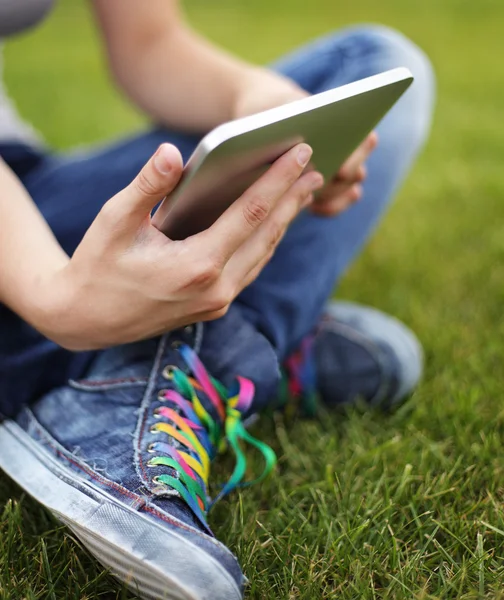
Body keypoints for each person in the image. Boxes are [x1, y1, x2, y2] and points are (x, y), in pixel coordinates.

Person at [0, 1, 435, 598]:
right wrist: (53, 298)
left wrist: (256, 101)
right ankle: (206, 353)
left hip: (23, 185)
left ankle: (160, 363)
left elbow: (149, 43)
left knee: (373, 63)